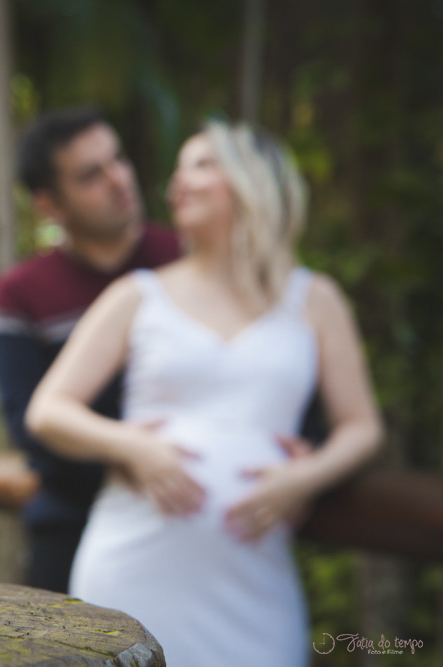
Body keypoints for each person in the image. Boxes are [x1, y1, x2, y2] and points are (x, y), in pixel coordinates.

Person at [25, 120, 382, 666]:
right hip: (131, 566)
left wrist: (306, 478)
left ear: (251, 178)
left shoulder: (316, 299)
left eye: (200, 164)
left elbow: (362, 427)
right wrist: (131, 446)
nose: (176, 184)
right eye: (178, 170)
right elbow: (49, 410)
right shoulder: (137, 296)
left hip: (256, 583)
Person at [0, 107, 181, 593]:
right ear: (50, 204)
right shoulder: (21, 294)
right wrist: (133, 450)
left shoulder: (185, 261)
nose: (118, 179)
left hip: (193, 513)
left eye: (118, 159)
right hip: (72, 526)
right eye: (91, 174)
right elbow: (27, 424)